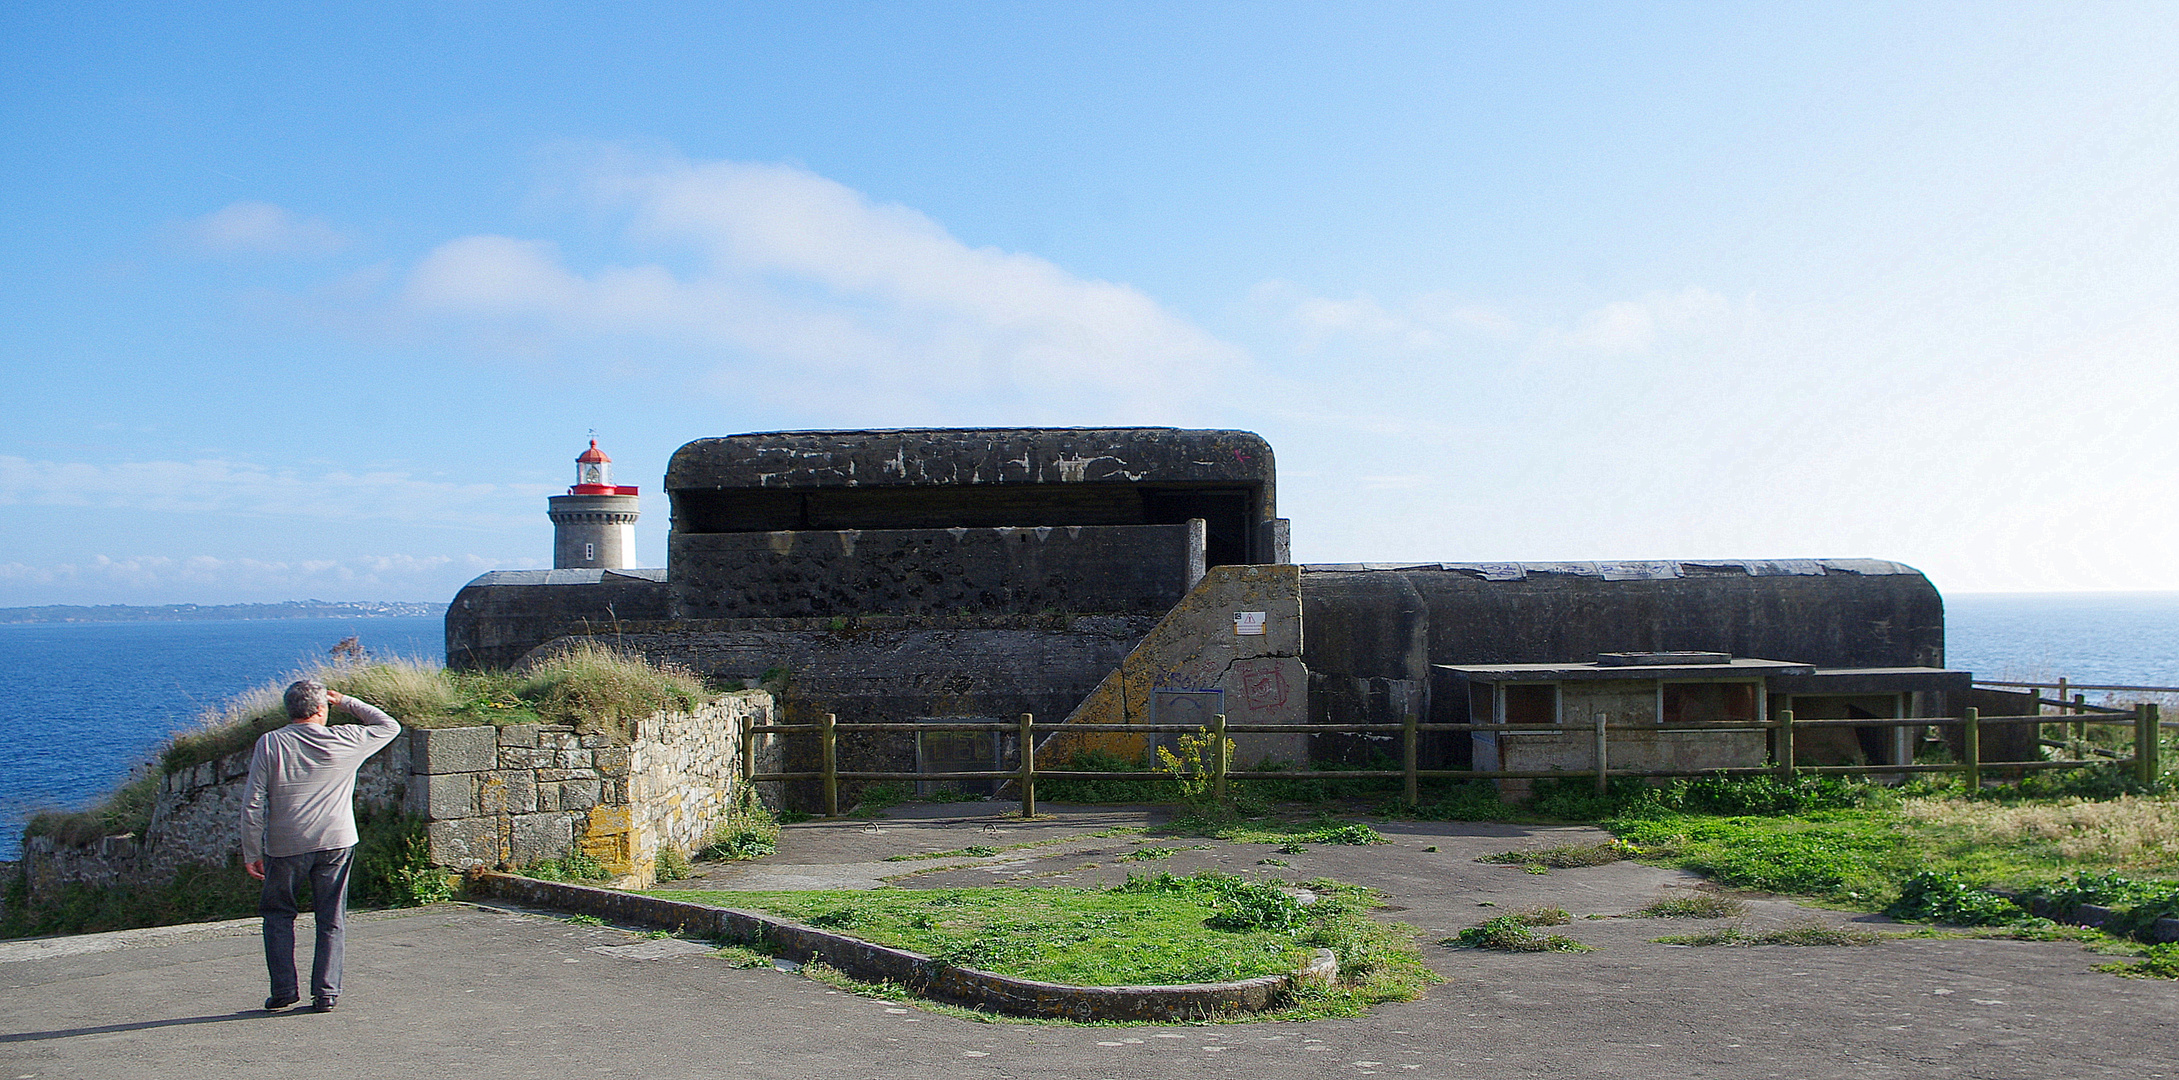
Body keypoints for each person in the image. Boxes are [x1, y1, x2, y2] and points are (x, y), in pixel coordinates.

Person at [241, 680, 402, 1013]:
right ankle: (326, 992)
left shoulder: (270, 743)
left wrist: (251, 851)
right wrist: (345, 700)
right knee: (331, 917)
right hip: (336, 841)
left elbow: (253, 802)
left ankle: (284, 990)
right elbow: (390, 725)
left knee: (278, 917)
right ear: (319, 709)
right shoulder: (347, 738)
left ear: (290, 710)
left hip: (285, 844)